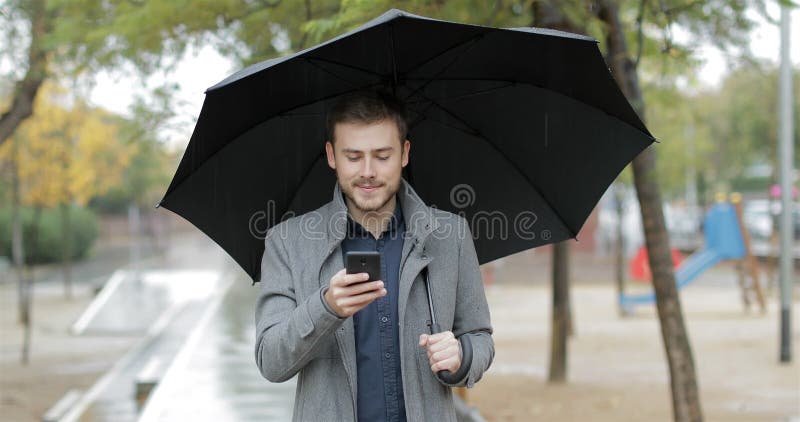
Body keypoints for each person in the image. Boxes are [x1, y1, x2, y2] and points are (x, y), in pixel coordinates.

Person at [254, 90, 494, 421]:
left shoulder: (450, 236)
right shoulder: (287, 242)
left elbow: (480, 337)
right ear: (331, 155)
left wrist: (461, 355)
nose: (368, 171)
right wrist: (326, 307)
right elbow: (271, 360)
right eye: (353, 157)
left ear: (405, 153)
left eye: (382, 156)